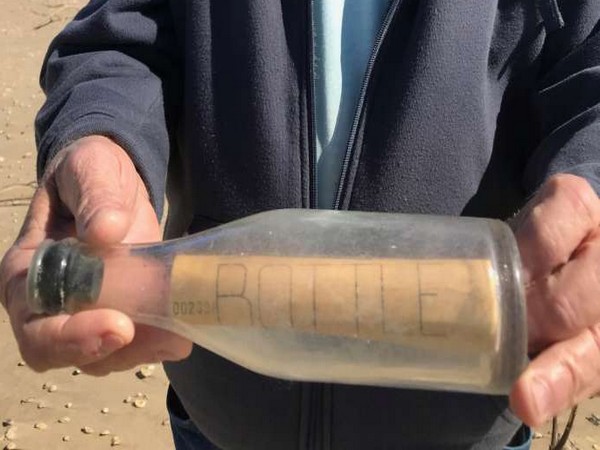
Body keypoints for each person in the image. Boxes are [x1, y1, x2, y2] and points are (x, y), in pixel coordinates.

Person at [1, 0, 600, 448]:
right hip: (221, 420)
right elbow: (125, 33)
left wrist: (591, 180)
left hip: (467, 421)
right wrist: (102, 131)